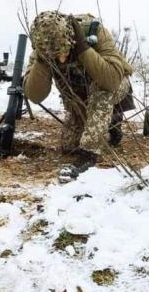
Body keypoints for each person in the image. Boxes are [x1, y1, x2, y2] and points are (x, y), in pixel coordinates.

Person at [23, 11, 134, 177]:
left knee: (101, 91)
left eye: (64, 52)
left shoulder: (95, 32)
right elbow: (35, 96)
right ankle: (107, 128)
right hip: (80, 97)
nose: (61, 59)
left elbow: (111, 80)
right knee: (69, 146)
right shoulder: (42, 48)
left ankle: (90, 153)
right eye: (55, 56)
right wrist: (42, 60)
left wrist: (83, 48)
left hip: (112, 87)